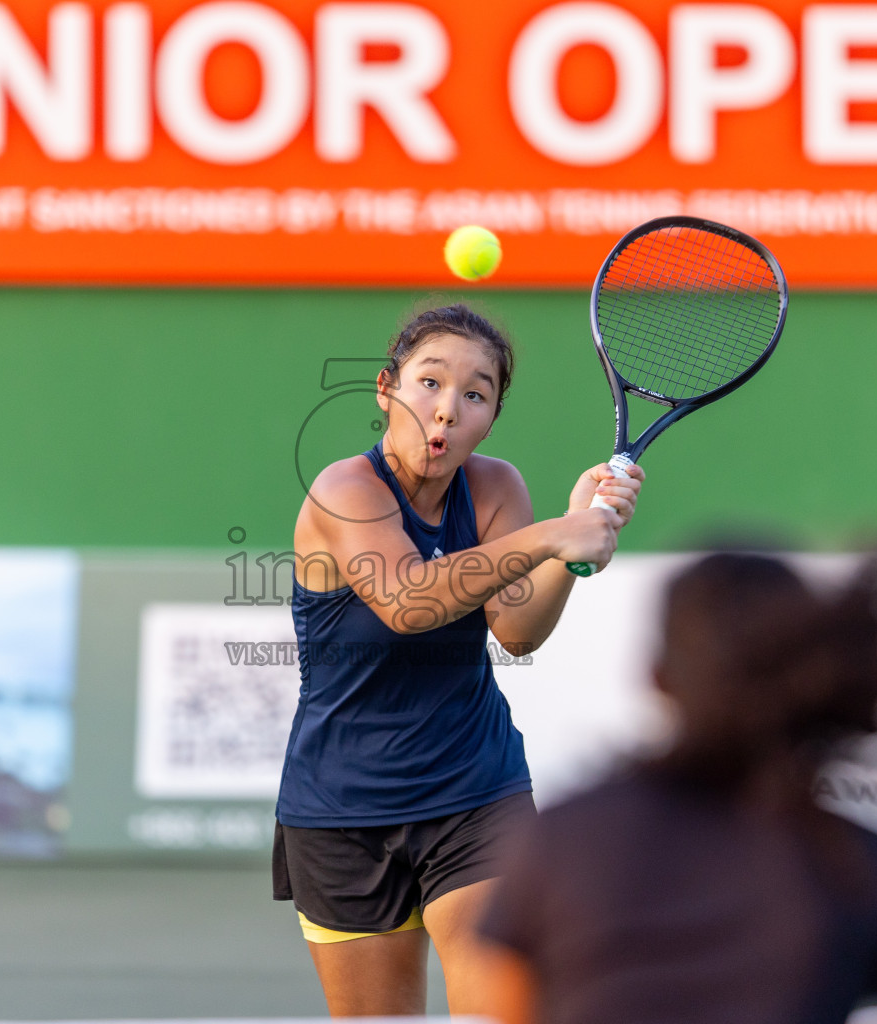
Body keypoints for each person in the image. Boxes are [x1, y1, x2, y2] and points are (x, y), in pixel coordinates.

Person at [274, 303, 645, 1016]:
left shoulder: (497, 488)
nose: (446, 410)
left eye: (475, 395)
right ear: (386, 389)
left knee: (513, 1010)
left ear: (492, 419)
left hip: (476, 791)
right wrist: (551, 537)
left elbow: (517, 632)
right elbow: (408, 601)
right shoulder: (342, 489)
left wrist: (574, 552)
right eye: (429, 383)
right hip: (341, 809)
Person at [477, 552, 877, 1024]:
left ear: (658, 678)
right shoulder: (858, 864)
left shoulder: (563, 839)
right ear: (816, 680)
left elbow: (508, 1007)